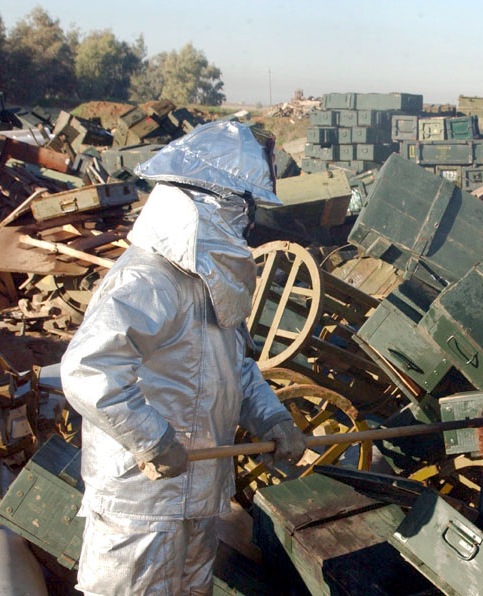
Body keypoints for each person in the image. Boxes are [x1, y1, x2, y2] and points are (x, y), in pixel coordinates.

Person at [60, 120, 306, 595]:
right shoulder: (149, 279)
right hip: (142, 505)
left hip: (198, 499)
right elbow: (88, 370)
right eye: (245, 210)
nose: (248, 225)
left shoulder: (206, 282)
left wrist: (273, 419)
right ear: (215, 205)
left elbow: (235, 367)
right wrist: (152, 439)